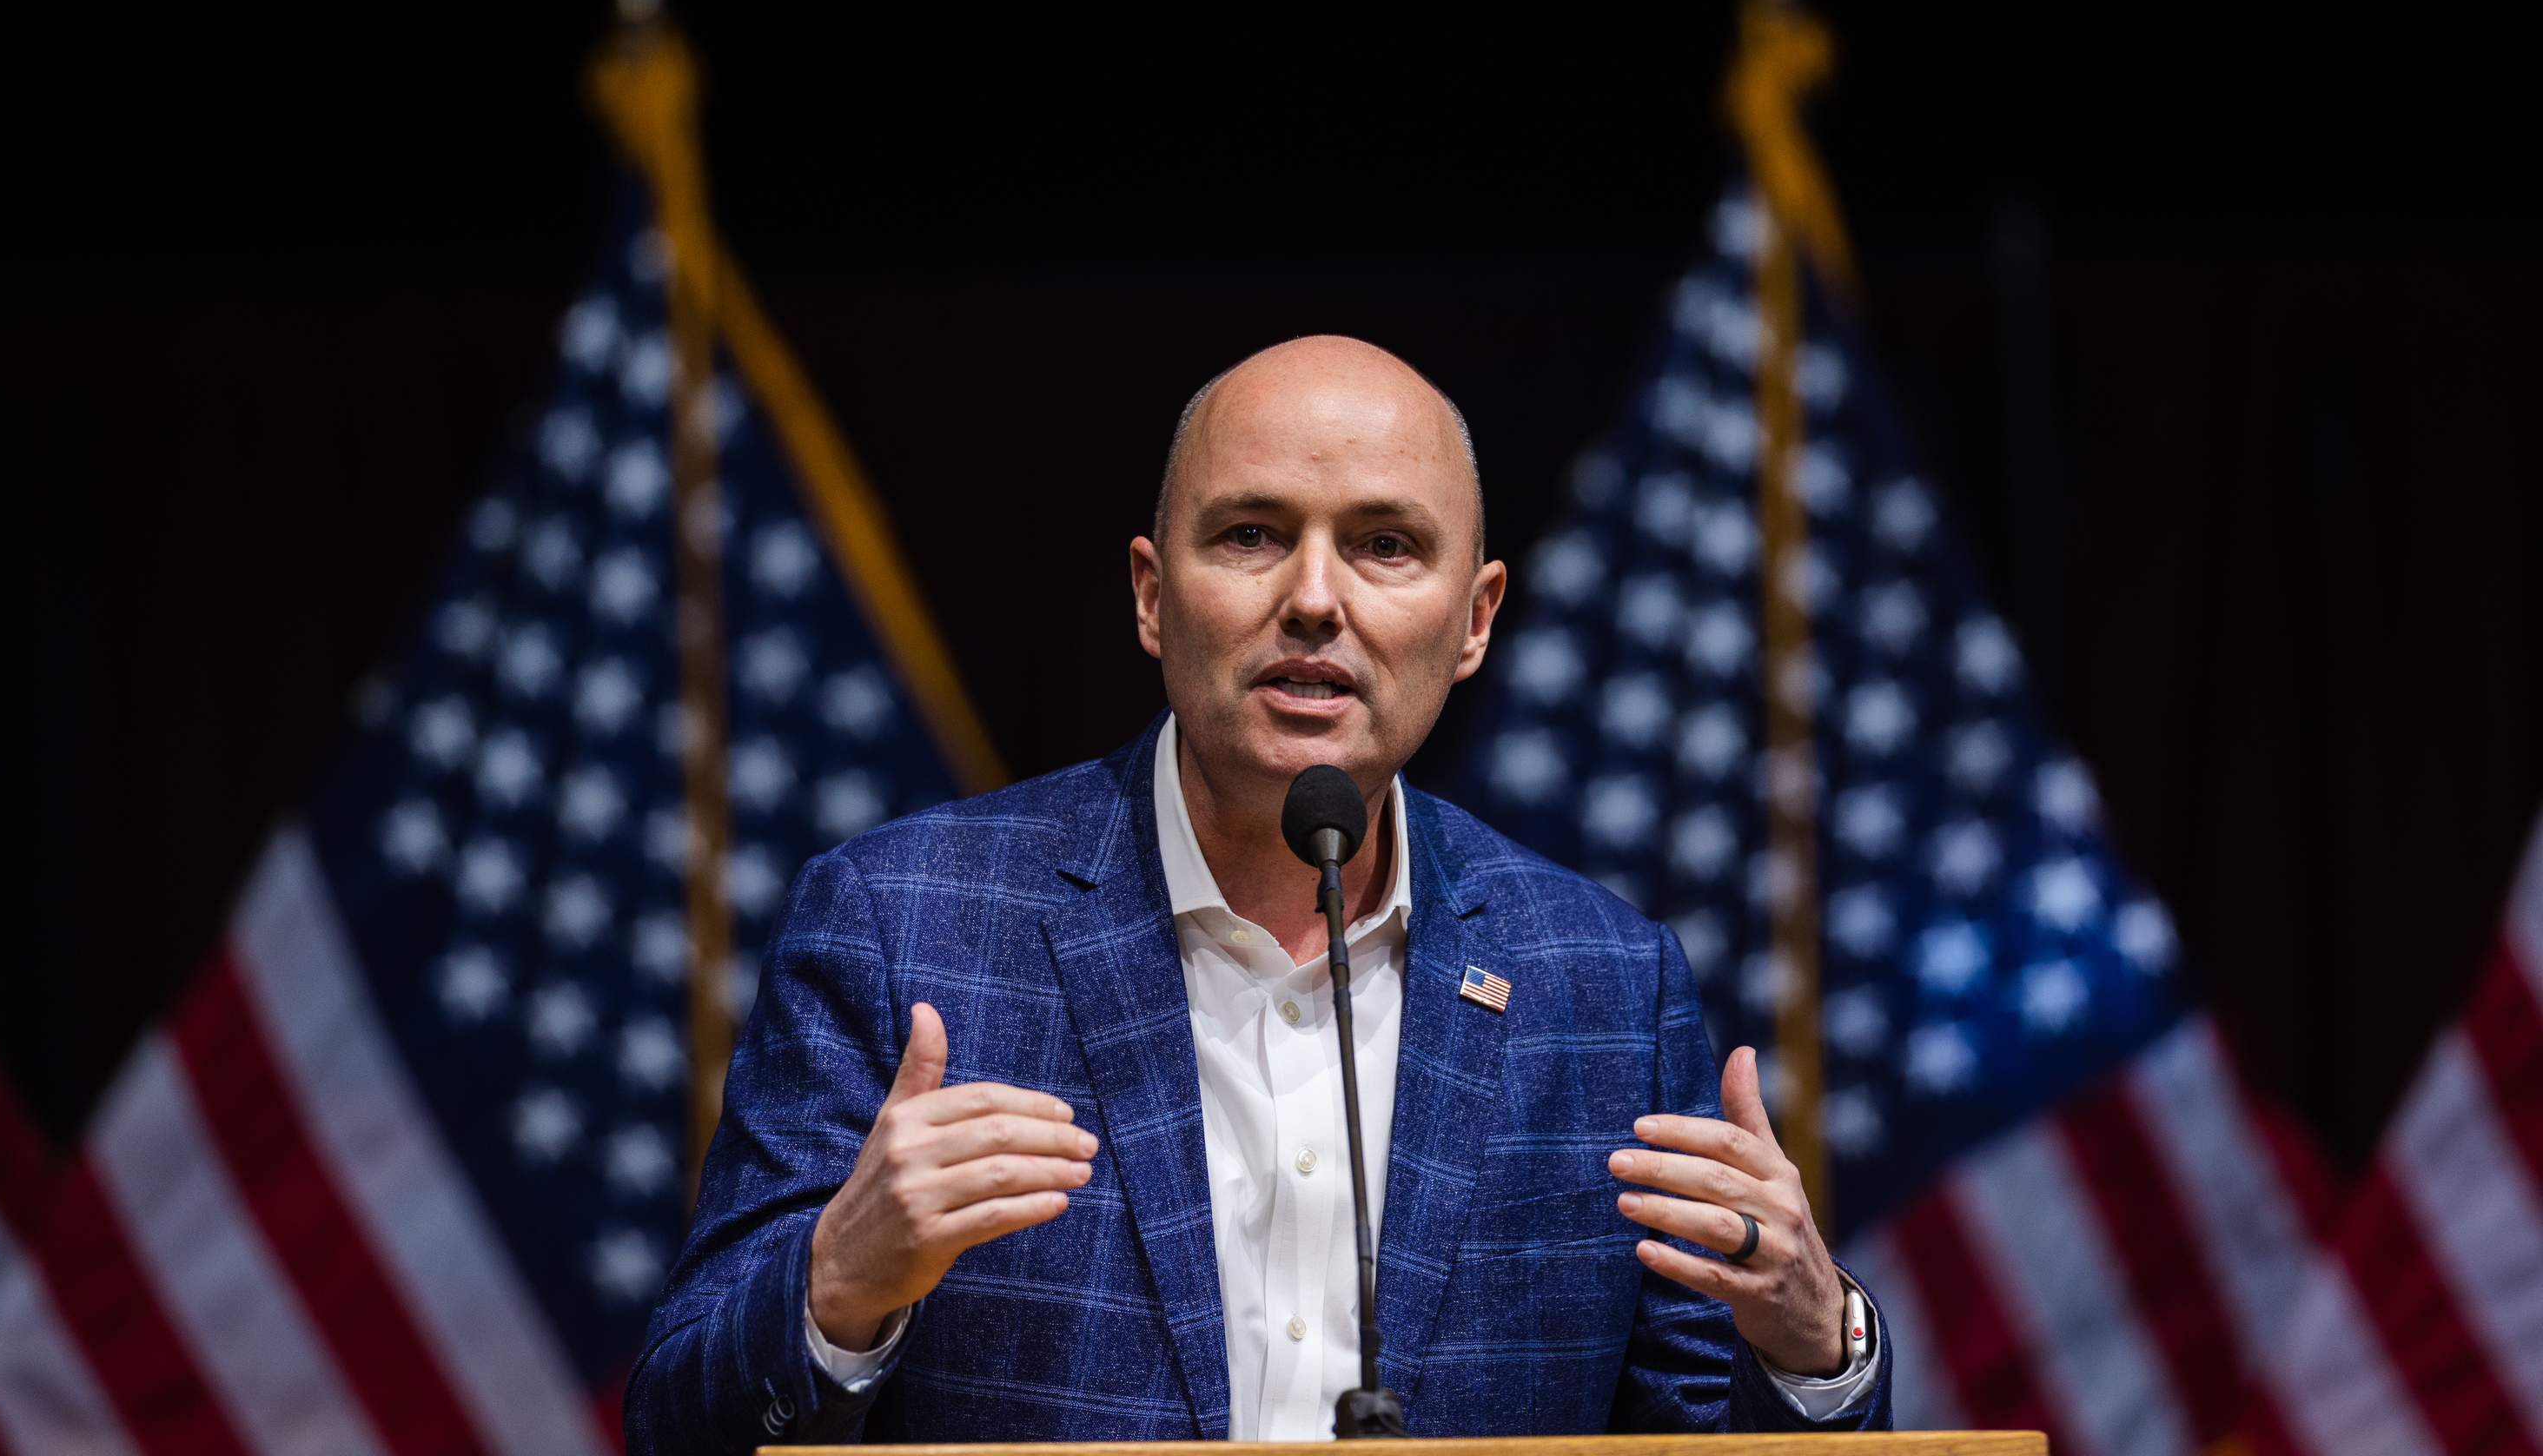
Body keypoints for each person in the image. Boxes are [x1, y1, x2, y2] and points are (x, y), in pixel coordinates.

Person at [625, 336, 1891, 1447]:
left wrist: (1811, 1344)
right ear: (1151, 594)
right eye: (1252, 535)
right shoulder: (904, 927)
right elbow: (680, 1421)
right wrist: (835, 1290)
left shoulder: (1606, 985)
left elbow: (1692, 1440)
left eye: (1386, 546)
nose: (1315, 600)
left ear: (1475, 620)